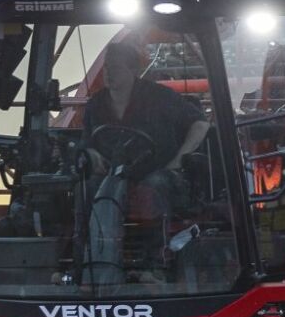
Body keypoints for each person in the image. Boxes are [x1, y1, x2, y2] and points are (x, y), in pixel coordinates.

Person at [82, 38, 208, 284]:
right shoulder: (95, 104)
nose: (109, 74)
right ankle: (82, 263)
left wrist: (179, 159)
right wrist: (91, 153)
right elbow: (86, 141)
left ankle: (155, 265)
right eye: (107, 68)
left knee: (153, 186)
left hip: (160, 171)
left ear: (133, 71)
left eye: (115, 68)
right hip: (113, 174)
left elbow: (200, 123)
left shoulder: (161, 97)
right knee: (83, 187)